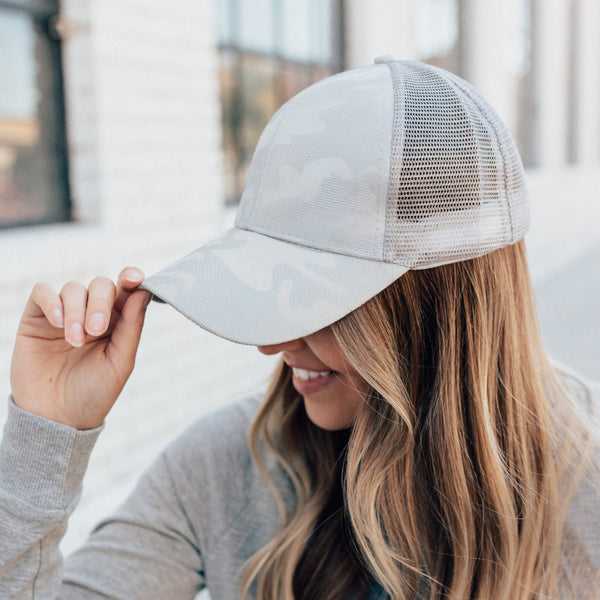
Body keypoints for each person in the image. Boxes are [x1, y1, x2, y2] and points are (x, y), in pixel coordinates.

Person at [1, 58, 599, 600]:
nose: (273, 344)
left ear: (439, 308)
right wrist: (45, 433)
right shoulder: (224, 466)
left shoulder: (585, 484)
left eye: (316, 301)